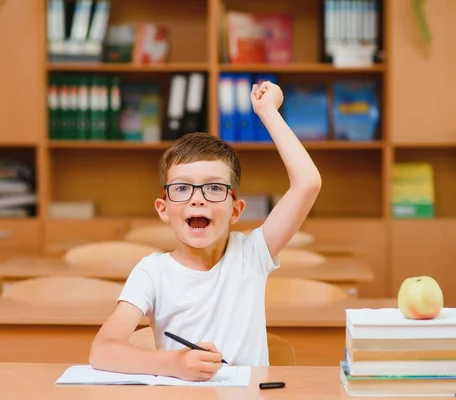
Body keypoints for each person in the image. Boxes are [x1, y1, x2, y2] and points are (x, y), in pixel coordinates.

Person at [89, 81, 322, 381]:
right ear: (163, 209)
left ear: (235, 211)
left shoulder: (252, 255)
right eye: (183, 188)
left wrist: (267, 112)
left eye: (213, 187)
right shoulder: (152, 272)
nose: (197, 198)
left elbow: (308, 183)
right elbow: (102, 350)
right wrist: (173, 364)